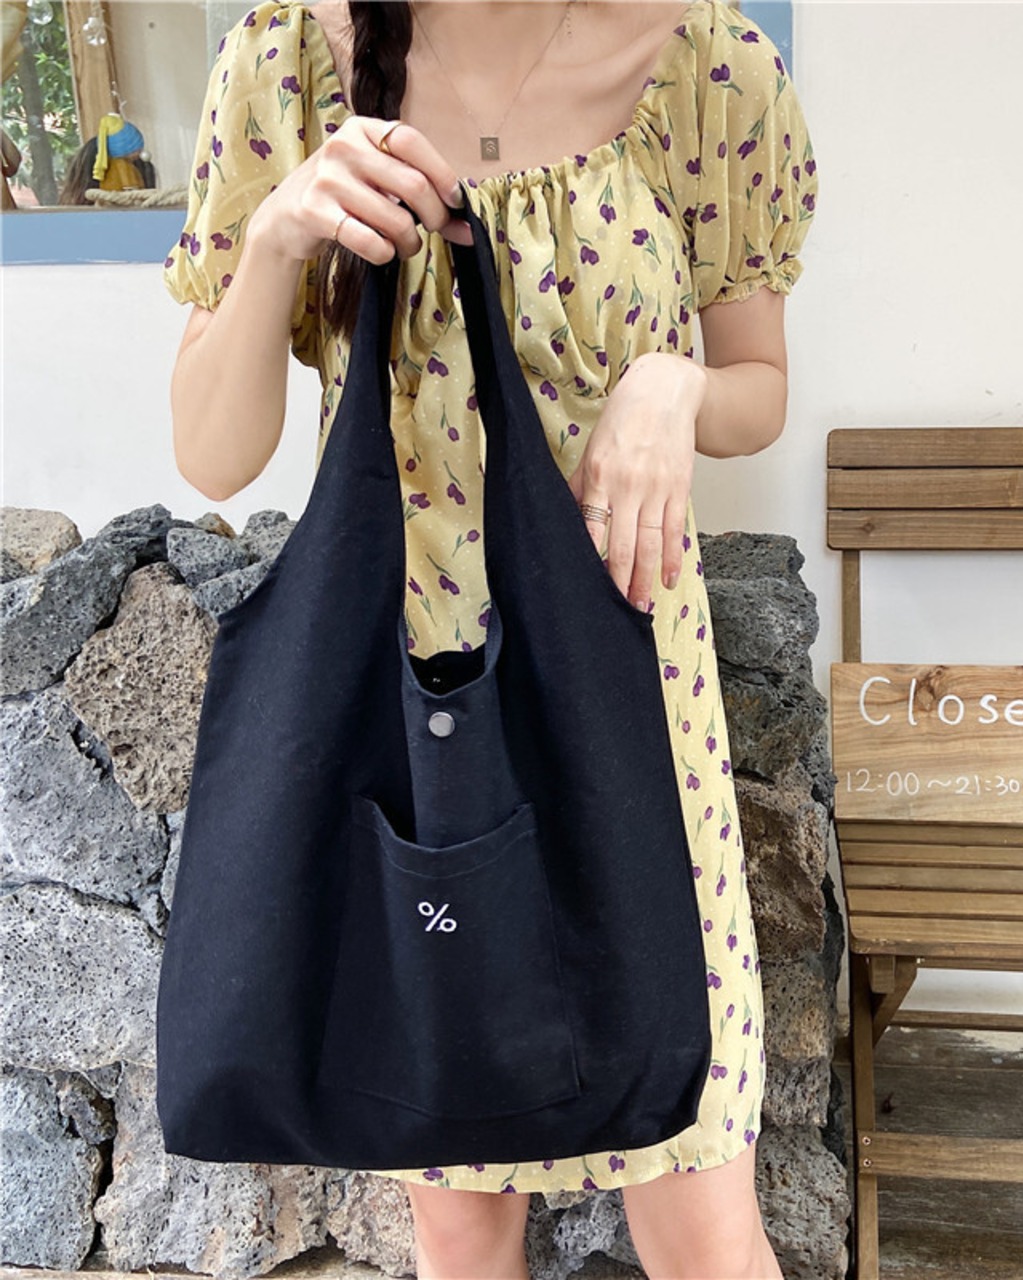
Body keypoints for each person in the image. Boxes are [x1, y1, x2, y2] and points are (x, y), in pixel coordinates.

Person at [162, 0, 818, 1275]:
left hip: (634, 704)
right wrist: (281, 235)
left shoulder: (704, 61)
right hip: (413, 719)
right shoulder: (285, 62)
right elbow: (213, 454)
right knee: (459, 1214)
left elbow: (759, 387)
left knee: (696, 1206)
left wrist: (673, 384)